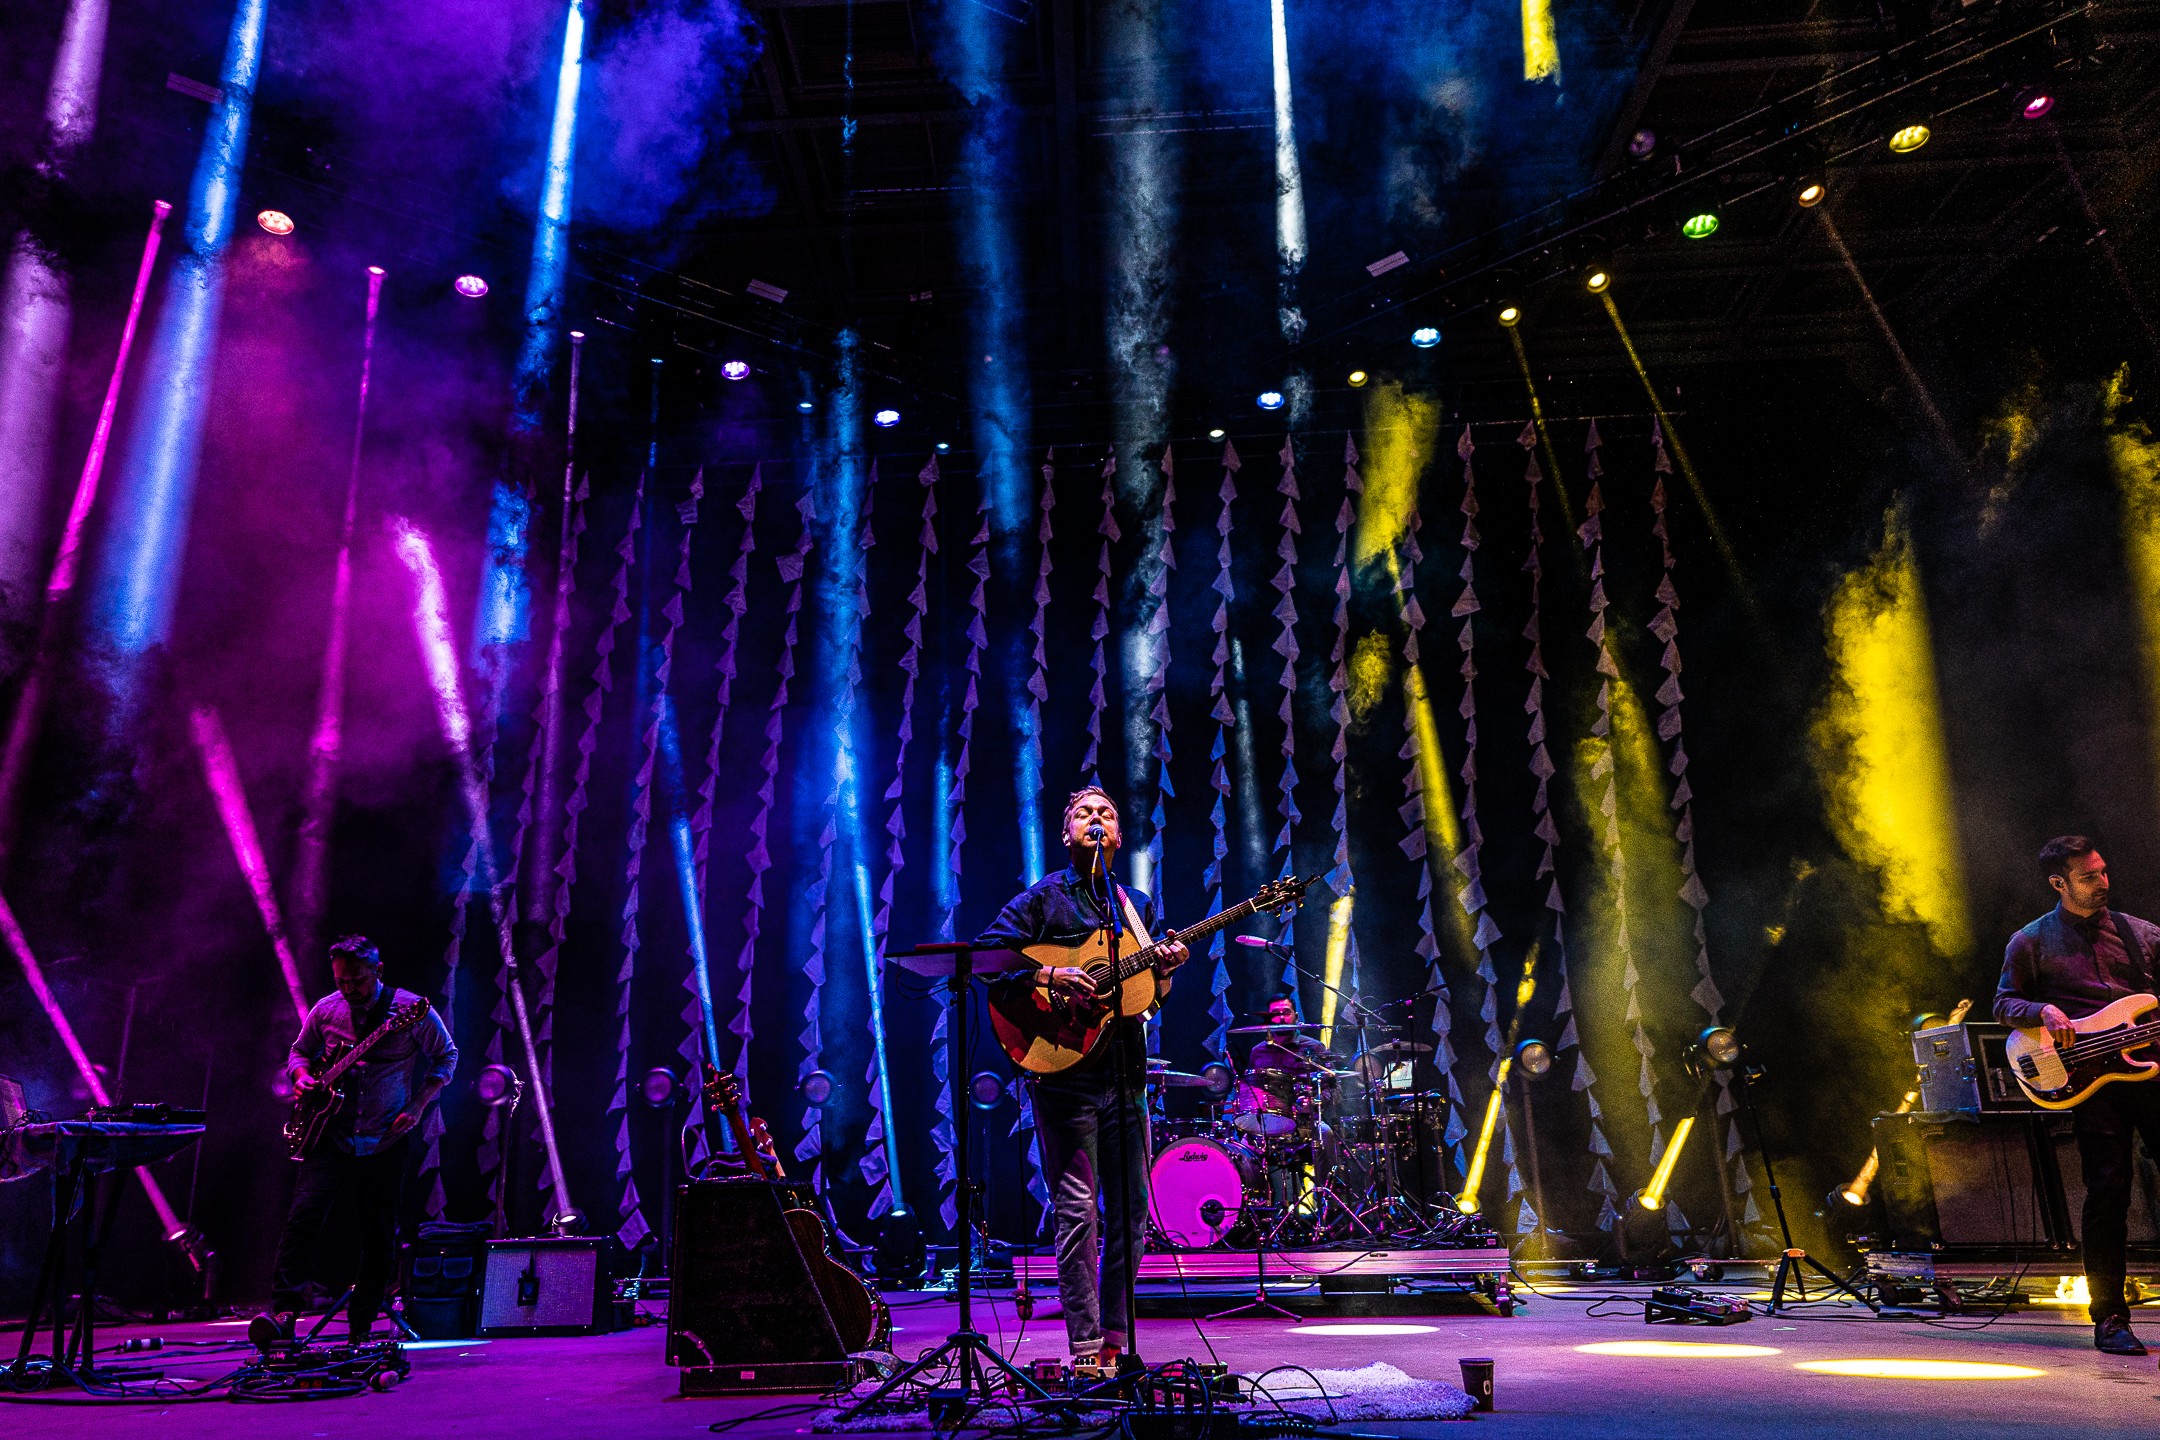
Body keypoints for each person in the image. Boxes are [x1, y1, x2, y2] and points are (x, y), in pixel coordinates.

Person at [982, 786, 1187, 1367]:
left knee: (1132, 1214)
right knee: (1078, 1211)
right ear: (1067, 832)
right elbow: (988, 958)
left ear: (1119, 837)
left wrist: (1166, 973)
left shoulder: (1136, 906)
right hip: (1063, 1074)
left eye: (1107, 814)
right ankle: (1085, 1346)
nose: (1096, 820)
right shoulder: (1041, 901)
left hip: (1127, 1073)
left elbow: (1145, 996)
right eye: (1084, 813)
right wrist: (1049, 974)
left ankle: (1118, 1340)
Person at [1995, 836, 2160, 1355]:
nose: (2103, 883)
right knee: (2107, 1191)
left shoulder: (2143, 934)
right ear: (2058, 883)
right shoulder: (2031, 941)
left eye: (2104, 872)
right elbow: (2004, 1001)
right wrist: (2040, 1012)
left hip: (2153, 1072)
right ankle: (2109, 1316)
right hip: (2091, 1080)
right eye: (2089, 877)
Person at [270, 935, 457, 1342]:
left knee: (378, 1233)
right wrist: (302, 1078)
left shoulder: (410, 1010)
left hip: (384, 1138)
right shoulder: (327, 1009)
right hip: (329, 1134)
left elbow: (448, 1056)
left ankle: (361, 1324)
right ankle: (283, 1313)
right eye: (341, 981)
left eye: (357, 980)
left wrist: (420, 1104)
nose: (349, 989)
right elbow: (299, 1053)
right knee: (302, 1218)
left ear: (378, 970)